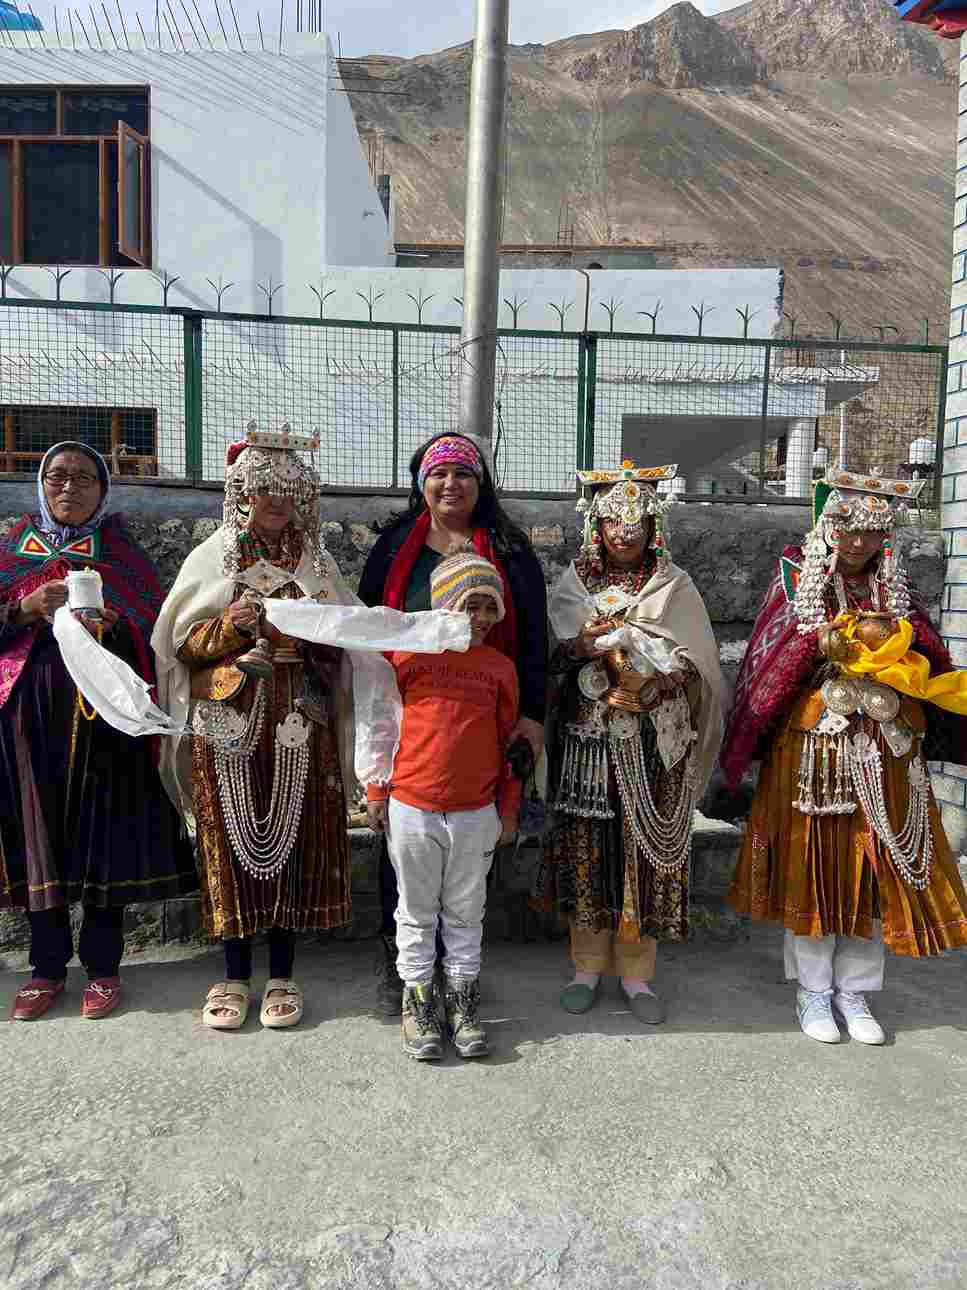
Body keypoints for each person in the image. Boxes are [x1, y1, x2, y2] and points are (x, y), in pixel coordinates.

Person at [722, 469, 967, 1045]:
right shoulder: (792, 582)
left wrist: (900, 645)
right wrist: (822, 642)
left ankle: (854, 990)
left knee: (875, 866)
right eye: (847, 530)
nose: (858, 543)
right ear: (825, 529)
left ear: (887, 538)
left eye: (871, 532)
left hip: (886, 750)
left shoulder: (898, 595)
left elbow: (931, 657)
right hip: (813, 749)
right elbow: (769, 660)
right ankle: (812, 990)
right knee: (816, 865)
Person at [152, 424, 355, 1030]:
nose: (275, 501)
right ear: (241, 490)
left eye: (288, 489)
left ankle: (285, 973)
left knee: (293, 843)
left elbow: (347, 642)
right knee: (231, 845)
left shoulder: (318, 561)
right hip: (226, 723)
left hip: (301, 720)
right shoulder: (210, 557)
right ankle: (234, 972)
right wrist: (234, 628)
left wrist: (308, 635)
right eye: (264, 487)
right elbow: (179, 648)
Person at [0, 442, 196, 1020]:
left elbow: (153, 629)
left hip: (101, 721)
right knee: (37, 836)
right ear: (40, 484)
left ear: (103, 490)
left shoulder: (120, 555)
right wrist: (21, 608)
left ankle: (105, 965)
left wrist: (115, 627)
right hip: (27, 720)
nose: (69, 488)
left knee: (100, 832)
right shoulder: (11, 554)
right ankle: (45, 966)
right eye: (57, 477)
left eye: (84, 478)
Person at [358, 432, 548, 1013]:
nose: (450, 485)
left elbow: (534, 638)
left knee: (468, 859)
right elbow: (369, 631)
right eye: (437, 475)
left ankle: (459, 971)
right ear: (421, 485)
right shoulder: (395, 547)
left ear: (480, 483)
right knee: (407, 859)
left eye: (463, 474)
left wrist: (533, 717)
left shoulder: (509, 550)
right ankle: (408, 971)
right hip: (411, 722)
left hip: (487, 715)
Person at [535, 462, 724, 1023]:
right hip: (588, 743)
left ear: (653, 526)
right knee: (588, 850)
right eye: (613, 522)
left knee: (645, 851)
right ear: (595, 527)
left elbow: (701, 662)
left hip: (653, 742)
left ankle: (638, 975)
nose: (624, 532)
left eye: (636, 521)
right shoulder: (573, 584)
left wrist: (671, 674)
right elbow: (552, 659)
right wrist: (580, 647)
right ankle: (587, 966)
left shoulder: (676, 585)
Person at [366, 551, 521, 1060]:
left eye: (488, 608)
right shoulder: (407, 657)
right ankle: (419, 1000)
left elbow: (511, 746)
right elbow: (382, 726)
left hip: (475, 811)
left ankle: (464, 1000)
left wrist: (509, 809)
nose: (478, 618)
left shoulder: (499, 668)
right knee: (415, 911)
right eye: (468, 605)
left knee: (465, 911)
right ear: (445, 605)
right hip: (412, 805)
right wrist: (375, 790)